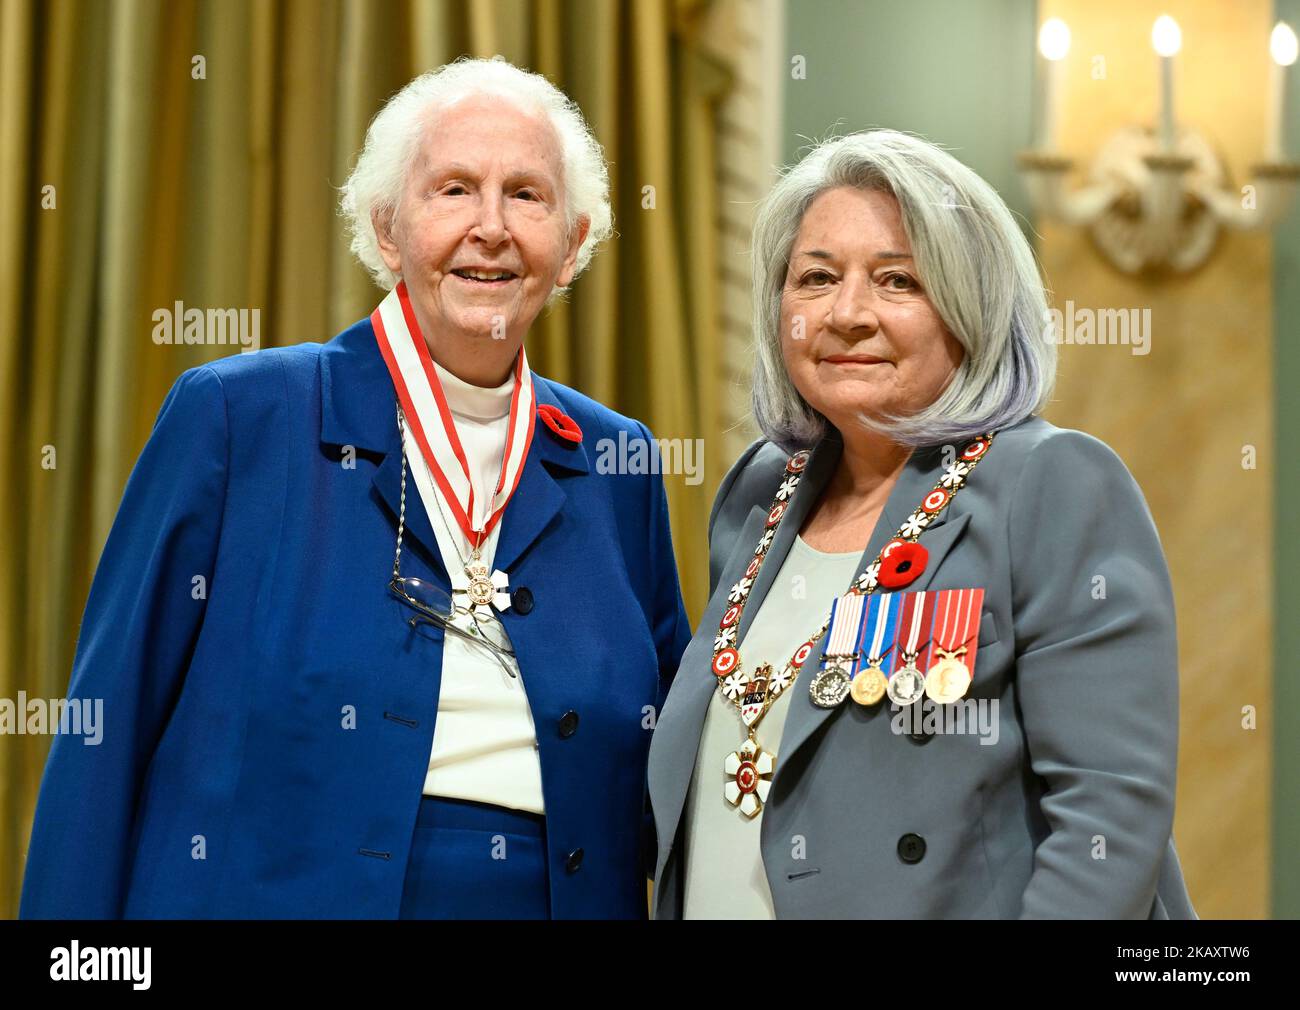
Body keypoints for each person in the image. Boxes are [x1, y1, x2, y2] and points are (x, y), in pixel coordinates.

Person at [21, 57, 689, 920]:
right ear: (386, 231)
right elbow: (105, 730)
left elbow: (670, 766)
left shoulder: (613, 460)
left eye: (527, 195)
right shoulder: (240, 417)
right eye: (453, 189)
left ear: (571, 247)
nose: (491, 226)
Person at [647, 129, 1197, 919]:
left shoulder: (1049, 483)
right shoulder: (758, 490)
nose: (846, 314)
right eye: (816, 278)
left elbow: (1108, 824)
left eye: (897, 281)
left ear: (971, 307)